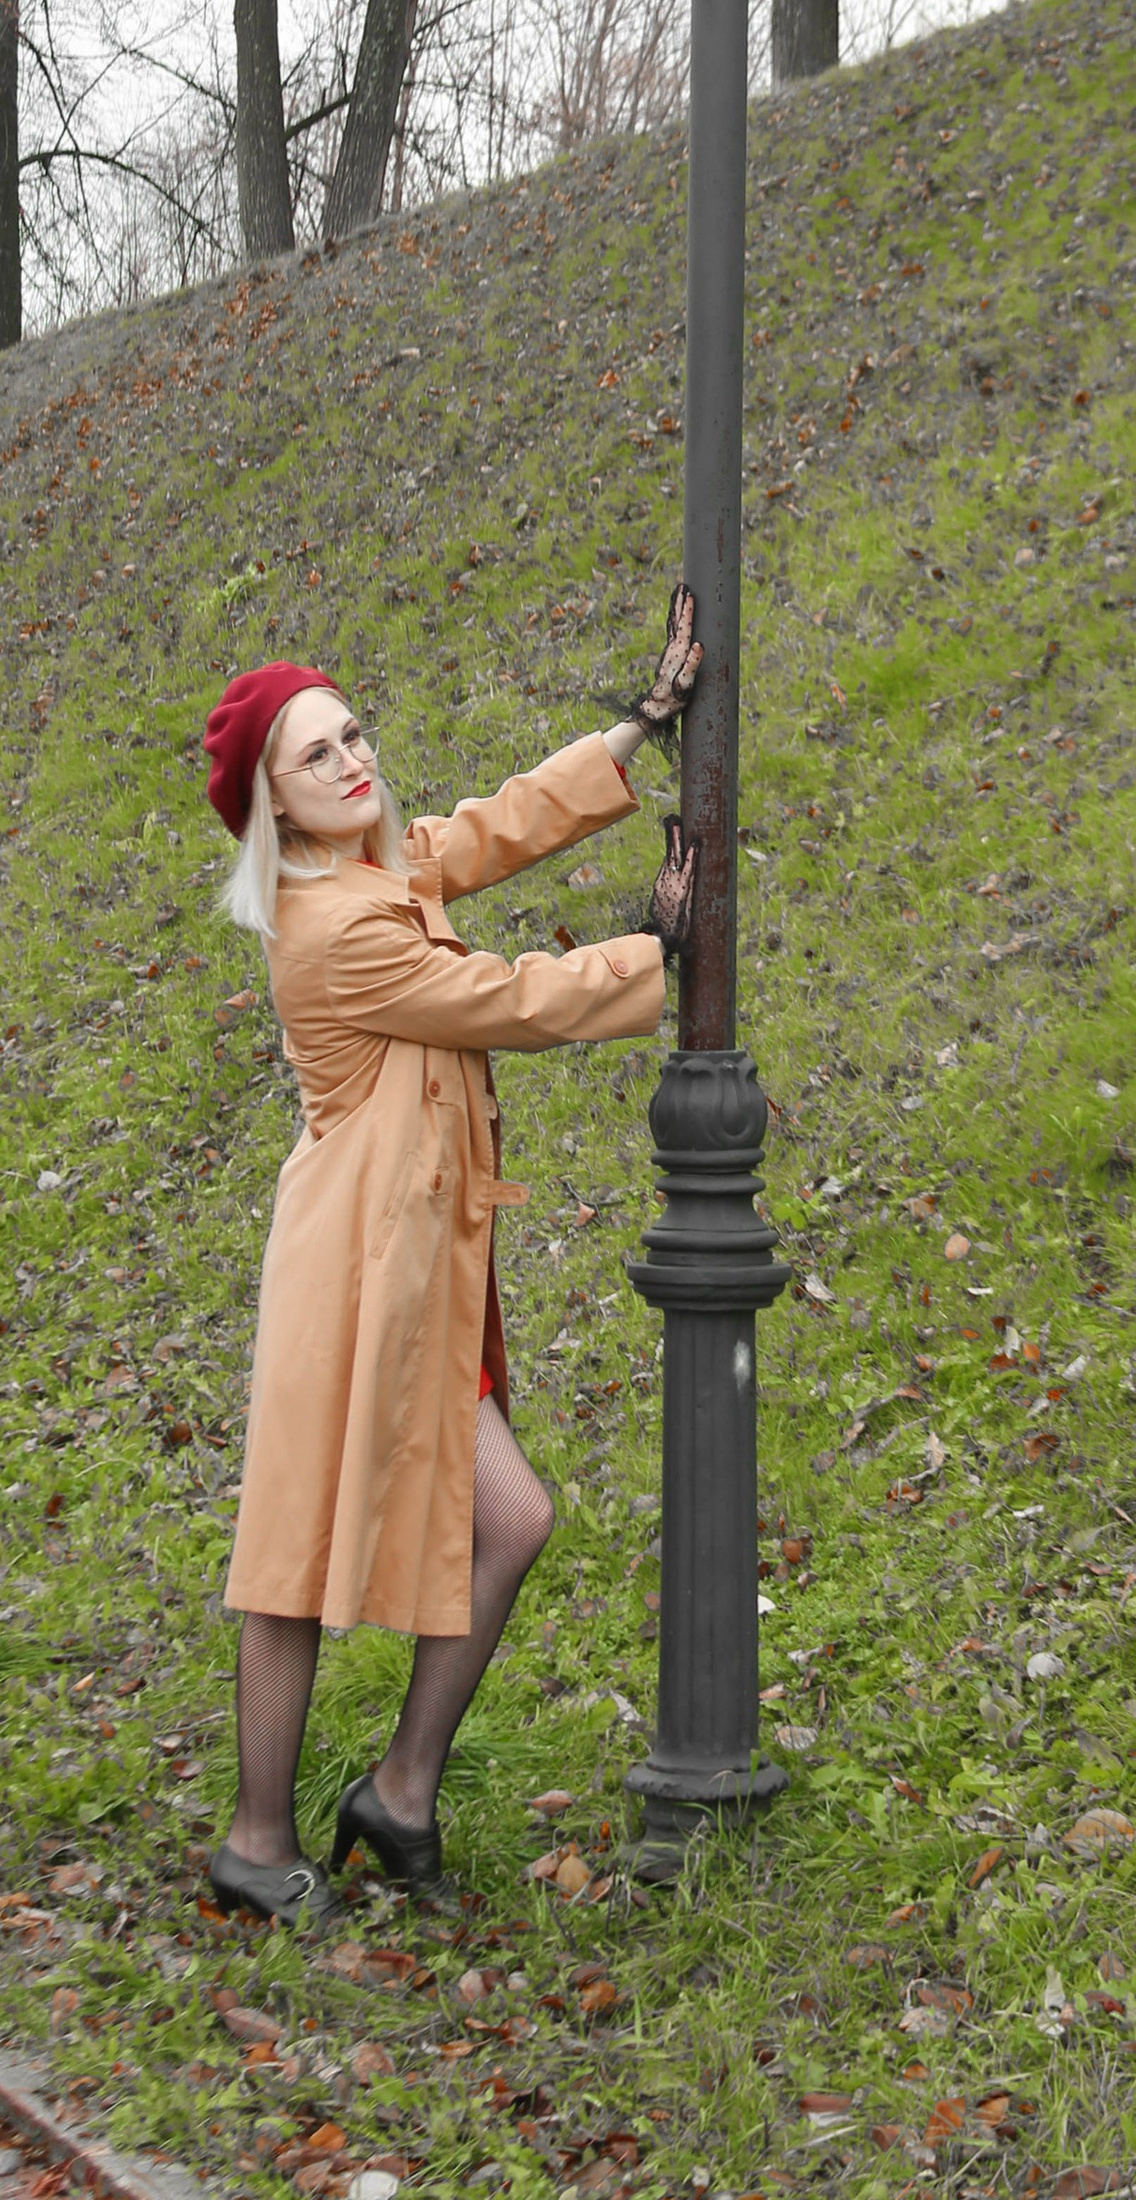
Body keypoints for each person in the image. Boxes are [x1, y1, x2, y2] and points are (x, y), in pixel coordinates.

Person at [196, 590, 705, 1928]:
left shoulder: (369, 868)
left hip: (409, 1266)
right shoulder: (336, 931)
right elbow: (504, 1002)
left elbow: (486, 831)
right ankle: (257, 1843)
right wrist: (657, 948)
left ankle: (400, 1793)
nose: (352, 761)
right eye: (317, 756)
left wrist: (636, 731)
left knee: (510, 1521)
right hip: (350, 1278)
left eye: (352, 733)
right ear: (276, 803)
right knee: (295, 1560)